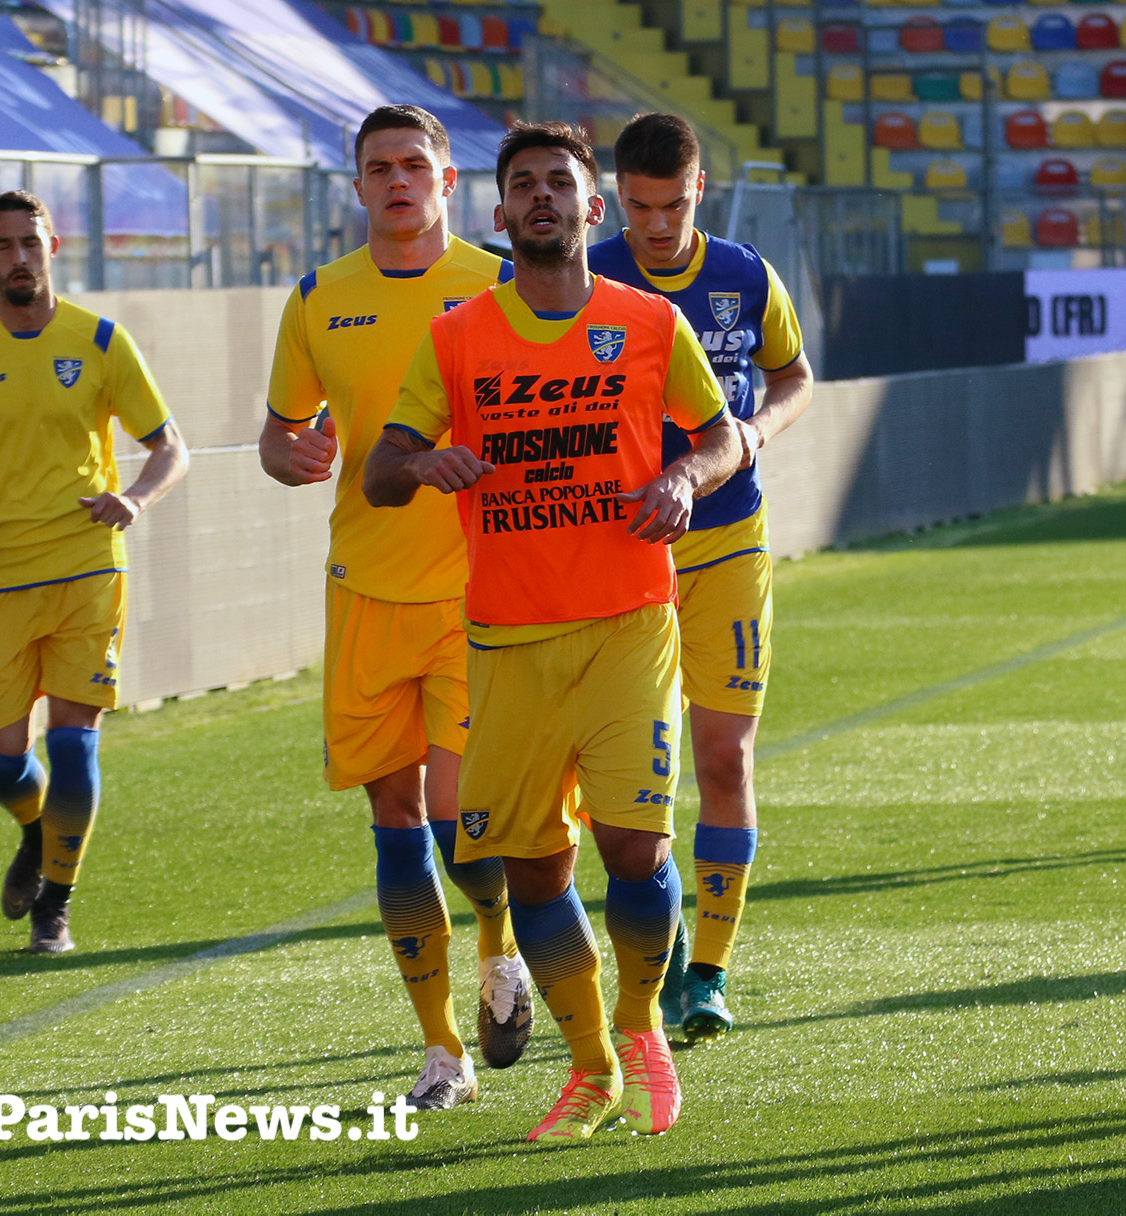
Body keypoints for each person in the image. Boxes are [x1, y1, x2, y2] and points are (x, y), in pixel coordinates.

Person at [365, 121, 740, 1143]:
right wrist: (422, 466)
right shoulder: (456, 337)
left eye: (558, 184)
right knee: (532, 868)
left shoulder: (650, 324)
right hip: (508, 638)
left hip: (629, 622)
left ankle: (637, 1026)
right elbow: (380, 469)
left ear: (593, 209)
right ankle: (590, 1068)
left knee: (634, 841)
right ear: (499, 214)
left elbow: (720, 438)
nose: (540, 197)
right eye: (522, 184)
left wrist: (679, 475)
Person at [258, 104, 533, 1112]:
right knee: (392, 815)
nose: (398, 180)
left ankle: (503, 952)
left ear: (449, 181)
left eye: (416, 164)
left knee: (468, 822)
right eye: (380, 167)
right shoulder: (318, 297)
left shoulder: (499, 283)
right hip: (365, 591)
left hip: (476, 593)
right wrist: (291, 457)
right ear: (360, 184)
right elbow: (280, 433)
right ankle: (441, 1050)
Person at [0, 190, 189, 955]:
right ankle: (37, 833)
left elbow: (170, 446)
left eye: (30, 242)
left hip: (85, 566)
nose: (18, 257)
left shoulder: (98, 339)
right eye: (3, 246)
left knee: (72, 745)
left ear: (52, 246)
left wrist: (133, 498)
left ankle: (55, 905)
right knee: (4, 767)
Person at [589, 112, 814, 1038]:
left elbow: (794, 375)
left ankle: (711, 974)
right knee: (629, 782)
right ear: (616, 196)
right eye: (638, 207)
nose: (655, 225)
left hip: (727, 537)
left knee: (722, 755)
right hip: (618, 549)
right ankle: (666, 944)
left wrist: (756, 431)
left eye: (672, 205)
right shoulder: (589, 275)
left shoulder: (746, 275)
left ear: (700, 188)